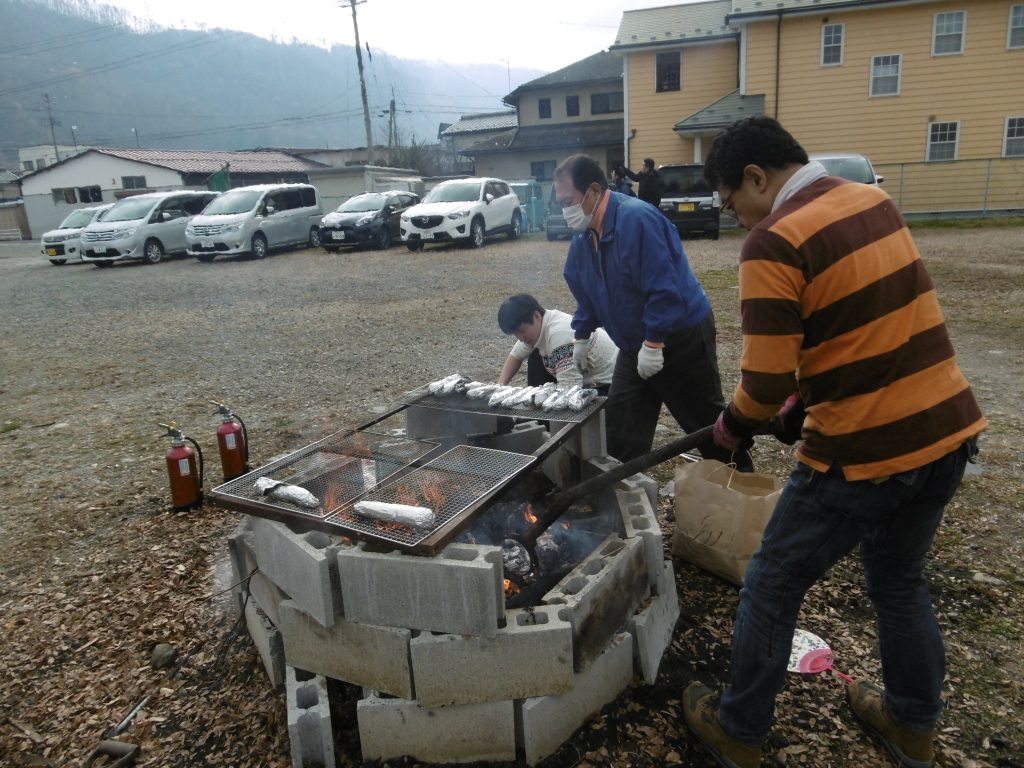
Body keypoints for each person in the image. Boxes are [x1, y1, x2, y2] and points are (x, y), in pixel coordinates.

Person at [682, 116, 987, 768]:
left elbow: (761, 381)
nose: (736, 218)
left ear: (757, 178)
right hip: (947, 432)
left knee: (771, 581)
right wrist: (803, 401)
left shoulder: (775, 240)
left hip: (865, 454)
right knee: (900, 580)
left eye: (732, 200)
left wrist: (731, 428)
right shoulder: (872, 200)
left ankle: (737, 732)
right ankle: (911, 724)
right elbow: (864, 328)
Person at [554, 153, 749, 468]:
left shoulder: (637, 219)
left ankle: (740, 483)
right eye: (560, 204)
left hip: (679, 337)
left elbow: (665, 287)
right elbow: (587, 289)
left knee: (705, 424)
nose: (565, 212)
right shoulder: (583, 238)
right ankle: (622, 496)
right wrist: (581, 334)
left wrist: (655, 342)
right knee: (622, 429)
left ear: (592, 191)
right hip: (633, 345)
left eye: (568, 202)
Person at [496, 293, 617, 394]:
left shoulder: (559, 335)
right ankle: (539, 418)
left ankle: (542, 420)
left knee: (537, 357)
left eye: (522, 331)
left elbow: (569, 388)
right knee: (535, 355)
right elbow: (516, 355)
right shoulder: (541, 324)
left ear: (536, 316)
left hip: (605, 386)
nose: (521, 338)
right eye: (516, 334)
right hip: (583, 379)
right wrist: (499, 387)